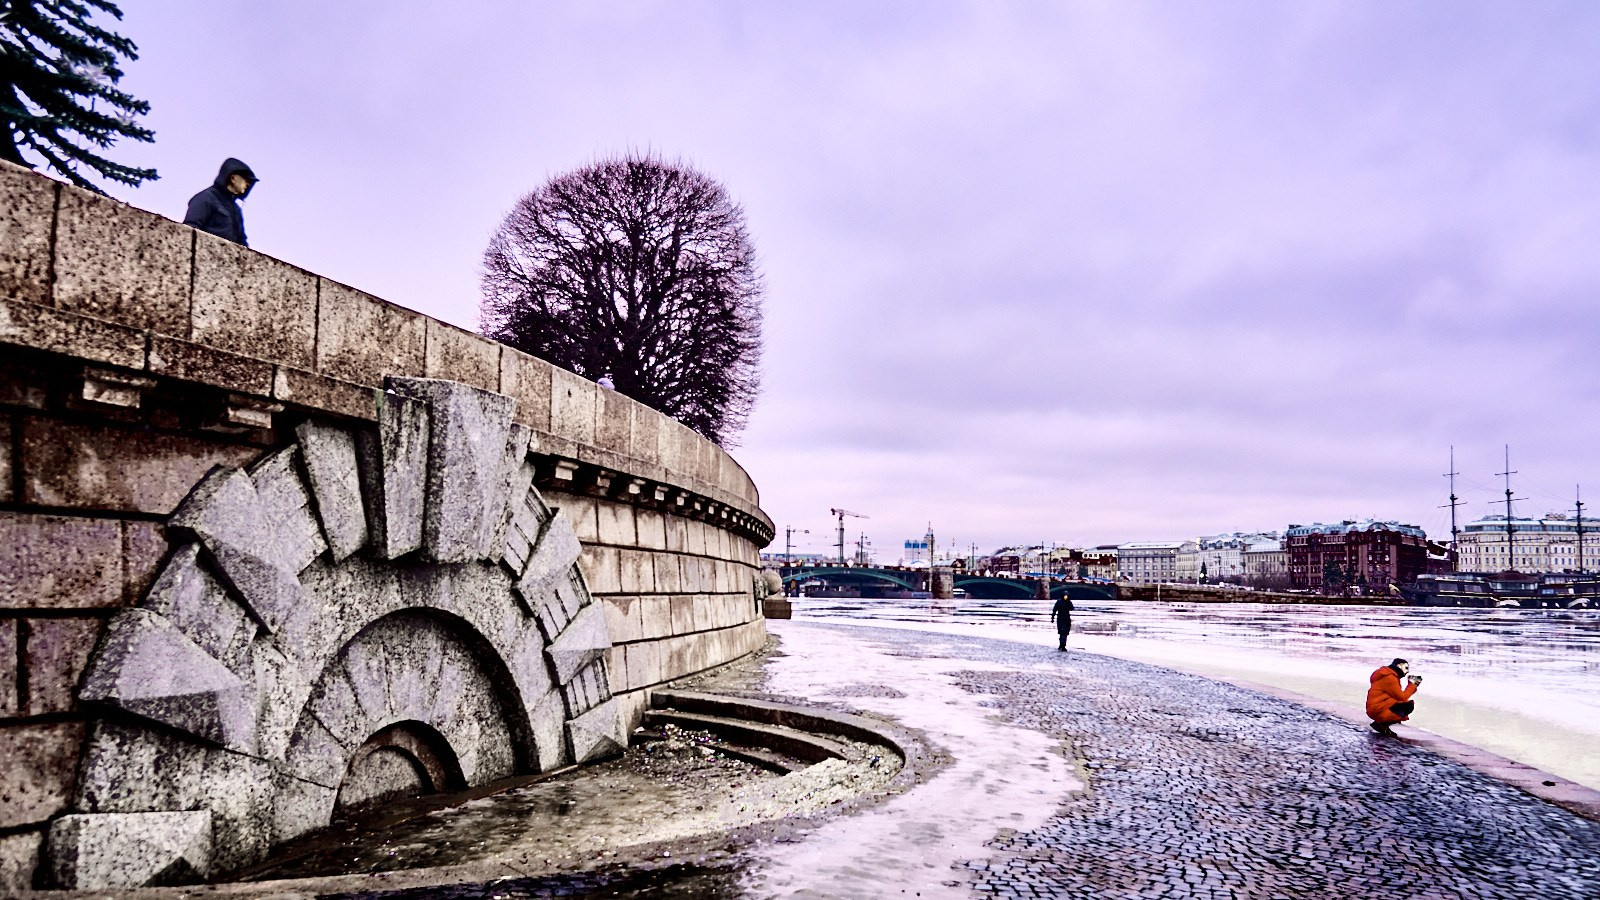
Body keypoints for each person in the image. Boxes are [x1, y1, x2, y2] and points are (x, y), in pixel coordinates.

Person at [183, 158, 258, 246]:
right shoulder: (206, 197)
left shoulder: (236, 210)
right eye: (246, 180)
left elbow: (242, 242)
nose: (248, 184)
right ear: (233, 178)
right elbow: (189, 229)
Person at [1365, 657, 1421, 735]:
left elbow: (1397, 696)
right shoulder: (1389, 677)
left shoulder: (1387, 674)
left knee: (1403, 704)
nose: (1407, 671)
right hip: (1377, 709)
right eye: (1406, 668)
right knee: (1407, 706)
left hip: (1375, 707)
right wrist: (1412, 685)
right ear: (1399, 666)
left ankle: (1381, 724)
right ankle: (1381, 724)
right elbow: (1402, 697)